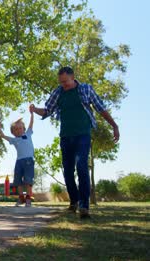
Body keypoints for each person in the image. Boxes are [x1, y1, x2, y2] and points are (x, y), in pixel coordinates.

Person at [30, 66, 120, 219]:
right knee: (68, 170)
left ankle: (84, 205)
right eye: (61, 82)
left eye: (65, 81)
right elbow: (47, 111)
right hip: (66, 136)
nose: (63, 84)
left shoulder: (86, 89)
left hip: (83, 135)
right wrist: (34, 109)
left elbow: (100, 108)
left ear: (73, 77)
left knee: (82, 165)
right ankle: (74, 202)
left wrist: (114, 126)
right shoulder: (58, 92)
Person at [0, 110, 35, 207]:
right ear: (13, 132)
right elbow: (3, 136)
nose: (18, 130)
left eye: (20, 128)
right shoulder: (14, 140)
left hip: (29, 161)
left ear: (24, 128)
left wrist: (32, 114)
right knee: (17, 180)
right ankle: (21, 197)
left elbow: (31, 124)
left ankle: (28, 198)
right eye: (16, 129)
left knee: (28, 180)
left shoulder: (28, 134)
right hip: (19, 161)